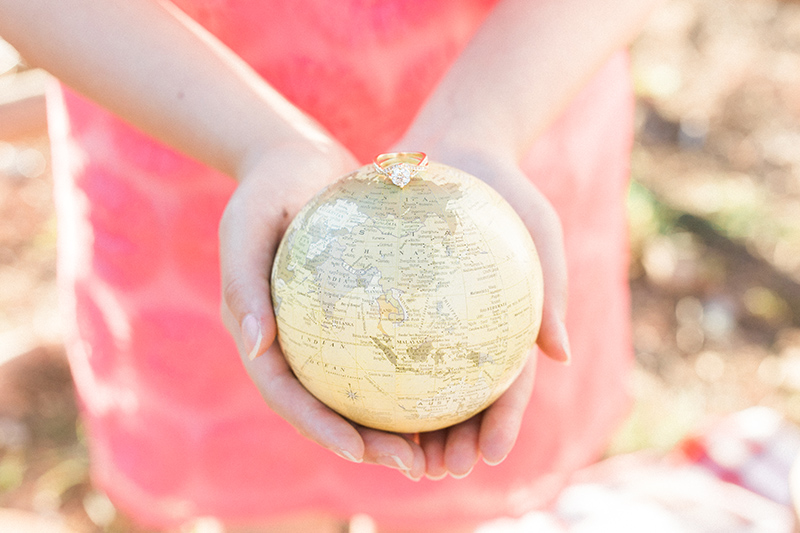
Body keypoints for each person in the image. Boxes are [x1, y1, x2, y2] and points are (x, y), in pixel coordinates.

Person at [0, 0, 662, 531]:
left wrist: (482, 122)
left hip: (508, 114)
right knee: (255, 487)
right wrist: (260, 141)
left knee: (450, 492)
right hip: (183, 135)